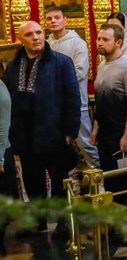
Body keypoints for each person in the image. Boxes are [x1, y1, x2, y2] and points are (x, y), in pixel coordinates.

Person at [4, 21, 79, 239]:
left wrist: (70, 130)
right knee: (31, 179)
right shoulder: (14, 65)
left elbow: (73, 98)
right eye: (30, 34)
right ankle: (38, 221)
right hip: (25, 133)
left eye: (39, 33)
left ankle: (64, 221)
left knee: (58, 180)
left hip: (52, 131)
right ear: (21, 39)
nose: (36, 37)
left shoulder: (61, 63)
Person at [91, 23, 127, 208]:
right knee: (110, 179)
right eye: (99, 39)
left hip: (122, 131)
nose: (100, 43)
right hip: (106, 132)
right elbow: (101, 100)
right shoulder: (103, 65)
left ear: (118, 42)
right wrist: (96, 127)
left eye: (105, 40)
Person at [45, 4, 97, 167]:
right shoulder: (46, 45)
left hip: (75, 104)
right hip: (53, 106)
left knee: (86, 145)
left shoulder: (77, 43)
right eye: (49, 18)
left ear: (65, 20)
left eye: (57, 17)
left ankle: (100, 179)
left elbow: (79, 73)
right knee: (60, 147)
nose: (53, 21)